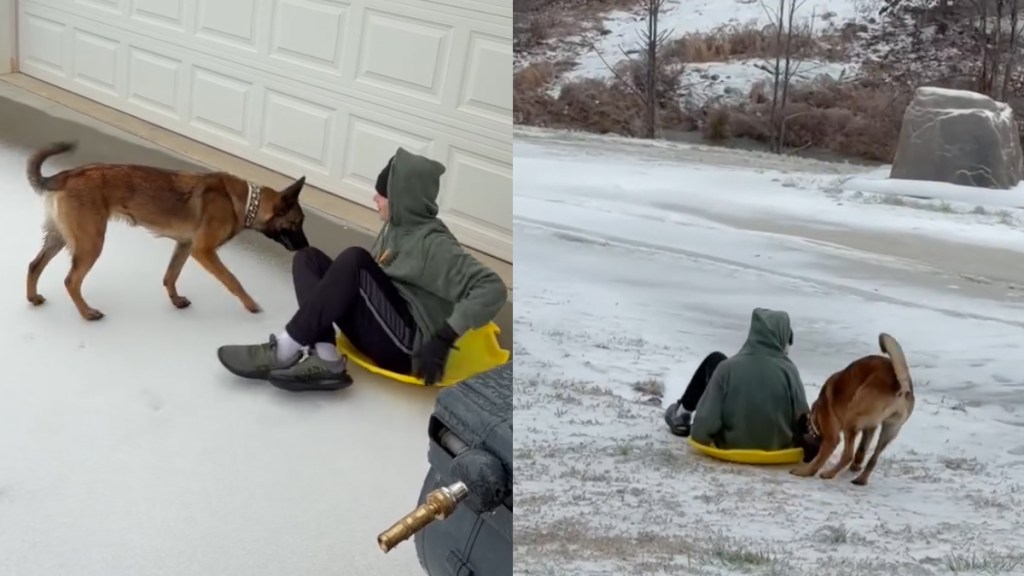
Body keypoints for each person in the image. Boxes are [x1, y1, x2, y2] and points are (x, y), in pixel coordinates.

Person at [216, 147, 509, 392]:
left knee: (354, 259)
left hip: (409, 349)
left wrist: (445, 336)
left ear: (402, 199)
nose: (375, 199)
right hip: (385, 326)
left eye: (382, 194)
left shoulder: (433, 245)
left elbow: (492, 287)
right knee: (307, 258)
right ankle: (326, 359)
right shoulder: (397, 228)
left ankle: (284, 349)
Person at [663, 307, 812, 454]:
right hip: (779, 447)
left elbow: (701, 432)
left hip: (731, 445)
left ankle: (682, 413)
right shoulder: (790, 372)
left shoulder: (727, 369)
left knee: (716, 359)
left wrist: (703, 435)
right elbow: (805, 422)